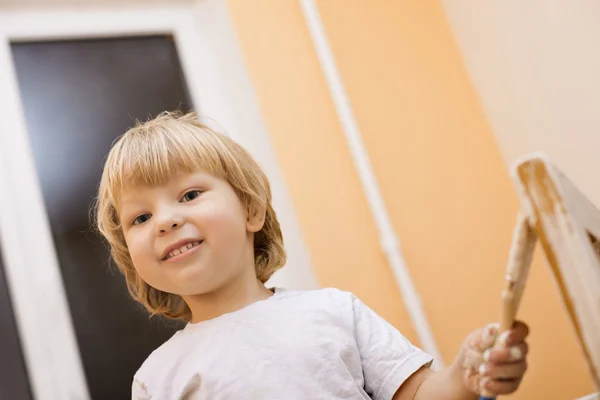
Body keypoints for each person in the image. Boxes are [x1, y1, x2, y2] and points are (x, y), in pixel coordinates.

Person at [95, 112, 529, 399]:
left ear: (250, 209)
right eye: (141, 217)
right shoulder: (156, 378)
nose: (165, 221)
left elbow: (418, 393)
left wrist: (464, 377)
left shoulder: (334, 311)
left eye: (189, 194)